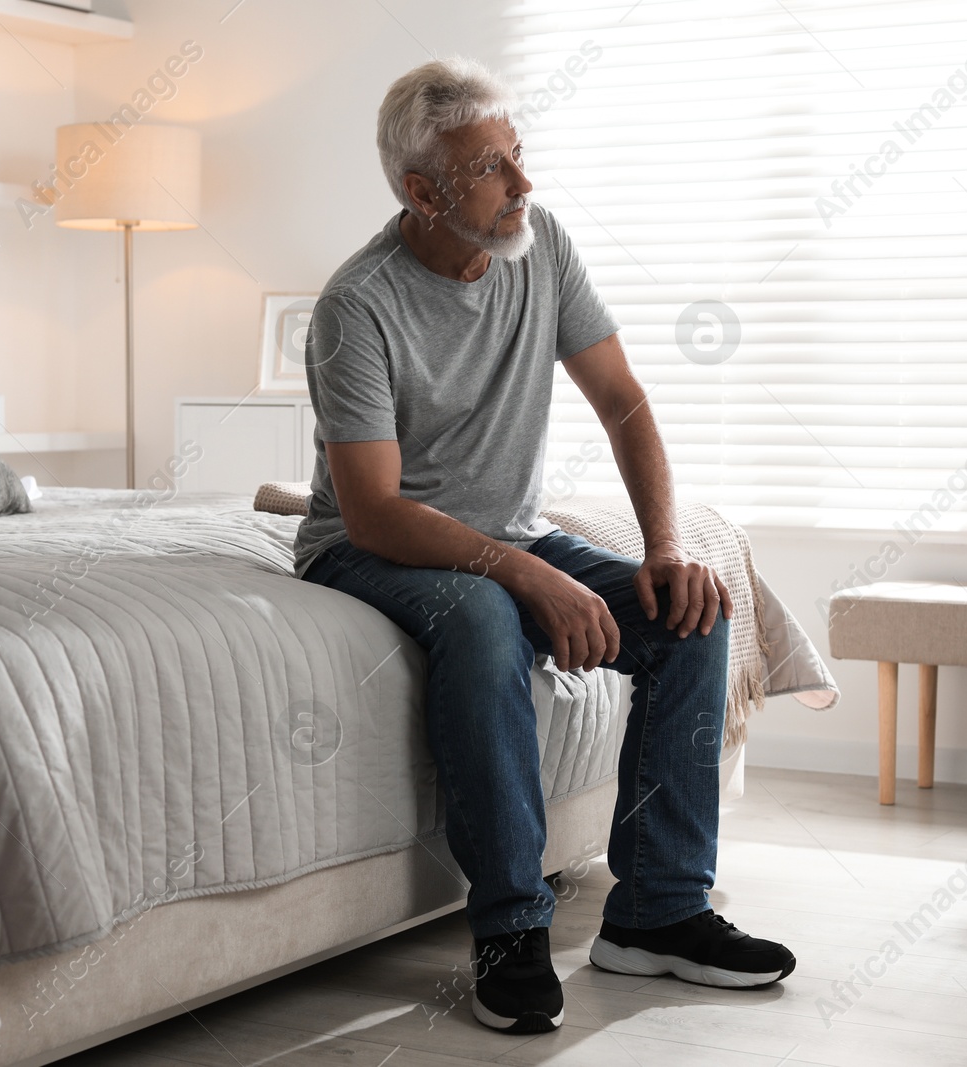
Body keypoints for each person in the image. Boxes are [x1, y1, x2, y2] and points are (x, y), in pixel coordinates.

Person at [295, 56, 795, 1035]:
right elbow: (373, 512)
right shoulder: (355, 307)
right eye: (493, 169)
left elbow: (624, 402)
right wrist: (524, 573)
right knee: (484, 620)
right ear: (423, 191)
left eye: (518, 156)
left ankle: (660, 911)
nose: (523, 184)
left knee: (689, 615)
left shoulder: (543, 246)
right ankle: (511, 928)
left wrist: (660, 547)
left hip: (510, 532)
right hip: (370, 547)